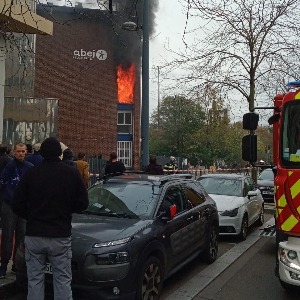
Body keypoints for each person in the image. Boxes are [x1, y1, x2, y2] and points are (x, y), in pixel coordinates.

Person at [12, 137, 89, 300]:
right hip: (60, 234)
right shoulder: (71, 173)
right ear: (60, 153)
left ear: (41, 153)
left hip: (34, 234)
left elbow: (17, 203)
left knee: (34, 280)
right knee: (62, 280)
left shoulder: (31, 173)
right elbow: (83, 202)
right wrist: (66, 211)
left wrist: (31, 215)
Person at [0, 143, 33, 278]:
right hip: (10, 205)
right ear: (14, 152)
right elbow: (2, 182)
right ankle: (3, 265)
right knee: (7, 236)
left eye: (23, 151)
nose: (20, 154)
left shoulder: (30, 167)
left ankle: (17, 265)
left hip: (24, 208)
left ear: (26, 152)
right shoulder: (10, 165)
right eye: (18, 151)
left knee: (21, 238)